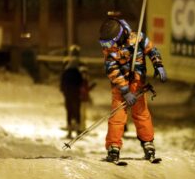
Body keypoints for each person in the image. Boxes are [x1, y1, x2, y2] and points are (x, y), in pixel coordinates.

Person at [98, 18, 167, 162]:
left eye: (111, 43)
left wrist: (157, 63)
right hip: (120, 84)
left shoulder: (138, 38)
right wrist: (125, 91)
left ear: (119, 37)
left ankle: (148, 142)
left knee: (141, 112)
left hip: (137, 81)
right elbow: (112, 70)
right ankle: (113, 146)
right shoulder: (109, 50)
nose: (110, 47)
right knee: (118, 114)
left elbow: (151, 49)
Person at [60, 45, 84, 139]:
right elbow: (80, 82)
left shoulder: (66, 71)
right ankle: (77, 128)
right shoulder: (78, 71)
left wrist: (64, 90)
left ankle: (70, 130)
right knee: (77, 111)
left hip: (68, 94)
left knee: (69, 111)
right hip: (76, 94)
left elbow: (63, 83)